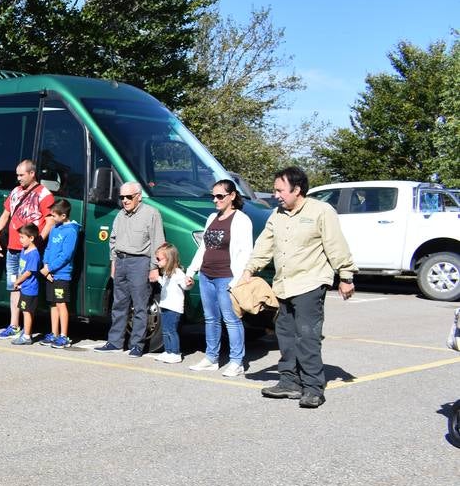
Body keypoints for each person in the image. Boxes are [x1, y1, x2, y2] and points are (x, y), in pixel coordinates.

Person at [240, 166, 357, 409]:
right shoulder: (277, 214)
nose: (276, 195)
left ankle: (314, 388)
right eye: (275, 190)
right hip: (284, 285)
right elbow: (265, 245)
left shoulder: (321, 211)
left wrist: (346, 276)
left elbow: (336, 245)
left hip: (310, 283)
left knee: (308, 336)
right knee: (285, 336)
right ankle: (289, 382)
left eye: (280, 190)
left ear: (298, 189)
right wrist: (250, 270)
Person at [184, 179, 253, 377]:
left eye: (220, 196)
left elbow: (246, 252)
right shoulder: (212, 217)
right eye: (213, 196)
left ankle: (236, 361)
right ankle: (211, 358)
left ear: (232, 196)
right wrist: (192, 271)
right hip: (207, 275)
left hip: (227, 277)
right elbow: (204, 248)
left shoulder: (241, 220)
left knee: (231, 319)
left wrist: (236, 280)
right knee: (210, 319)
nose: (215, 200)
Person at [96, 181, 165, 357]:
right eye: (122, 197)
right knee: (118, 304)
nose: (125, 200)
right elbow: (113, 240)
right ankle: (115, 341)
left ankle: (137, 345)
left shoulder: (151, 214)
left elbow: (158, 242)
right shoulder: (120, 215)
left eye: (129, 197)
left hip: (140, 262)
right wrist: (113, 263)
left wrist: (154, 268)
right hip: (121, 261)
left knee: (140, 306)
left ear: (139, 197)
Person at [0, 160, 54, 339]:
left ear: (32, 173)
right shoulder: (15, 192)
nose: (18, 178)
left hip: (28, 251)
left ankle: (28, 329)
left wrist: (38, 242)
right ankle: (13, 325)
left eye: (21, 175)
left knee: (27, 288)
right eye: (17, 175)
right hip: (12, 248)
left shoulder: (44, 194)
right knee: (14, 286)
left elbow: (49, 220)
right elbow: (5, 215)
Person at [39, 199, 79, 349]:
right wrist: (45, 265)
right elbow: (48, 248)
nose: (51, 218)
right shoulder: (55, 228)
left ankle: (64, 336)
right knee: (53, 304)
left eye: (54, 216)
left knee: (61, 304)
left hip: (62, 274)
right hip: (50, 273)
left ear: (63, 216)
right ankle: (54, 333)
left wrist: (50, 268)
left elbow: (66, 255)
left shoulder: (71, 231)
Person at [7, 225, 42, 344]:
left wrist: (17, 281)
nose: (20, 240)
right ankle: (27, 332)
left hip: (30, 289)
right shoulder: (24, 250)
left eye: (22, 237)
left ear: (31, 238)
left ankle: (27, 336)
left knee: (27, 312)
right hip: (25, 287)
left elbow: (28, 272)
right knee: (25, 310)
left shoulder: (33, 254)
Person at [153, 242, 186, 364]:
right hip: (165, 305)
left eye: (159, 259)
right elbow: (166, 285)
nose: (157, 261)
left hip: (174, 308)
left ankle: (175, 353)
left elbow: (185, 285)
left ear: (169, 259)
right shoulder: (167, 273)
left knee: (171, 330)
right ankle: (168, 351)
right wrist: (159, 279)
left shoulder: (178, 273)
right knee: (165, 330)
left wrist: (188, 283)